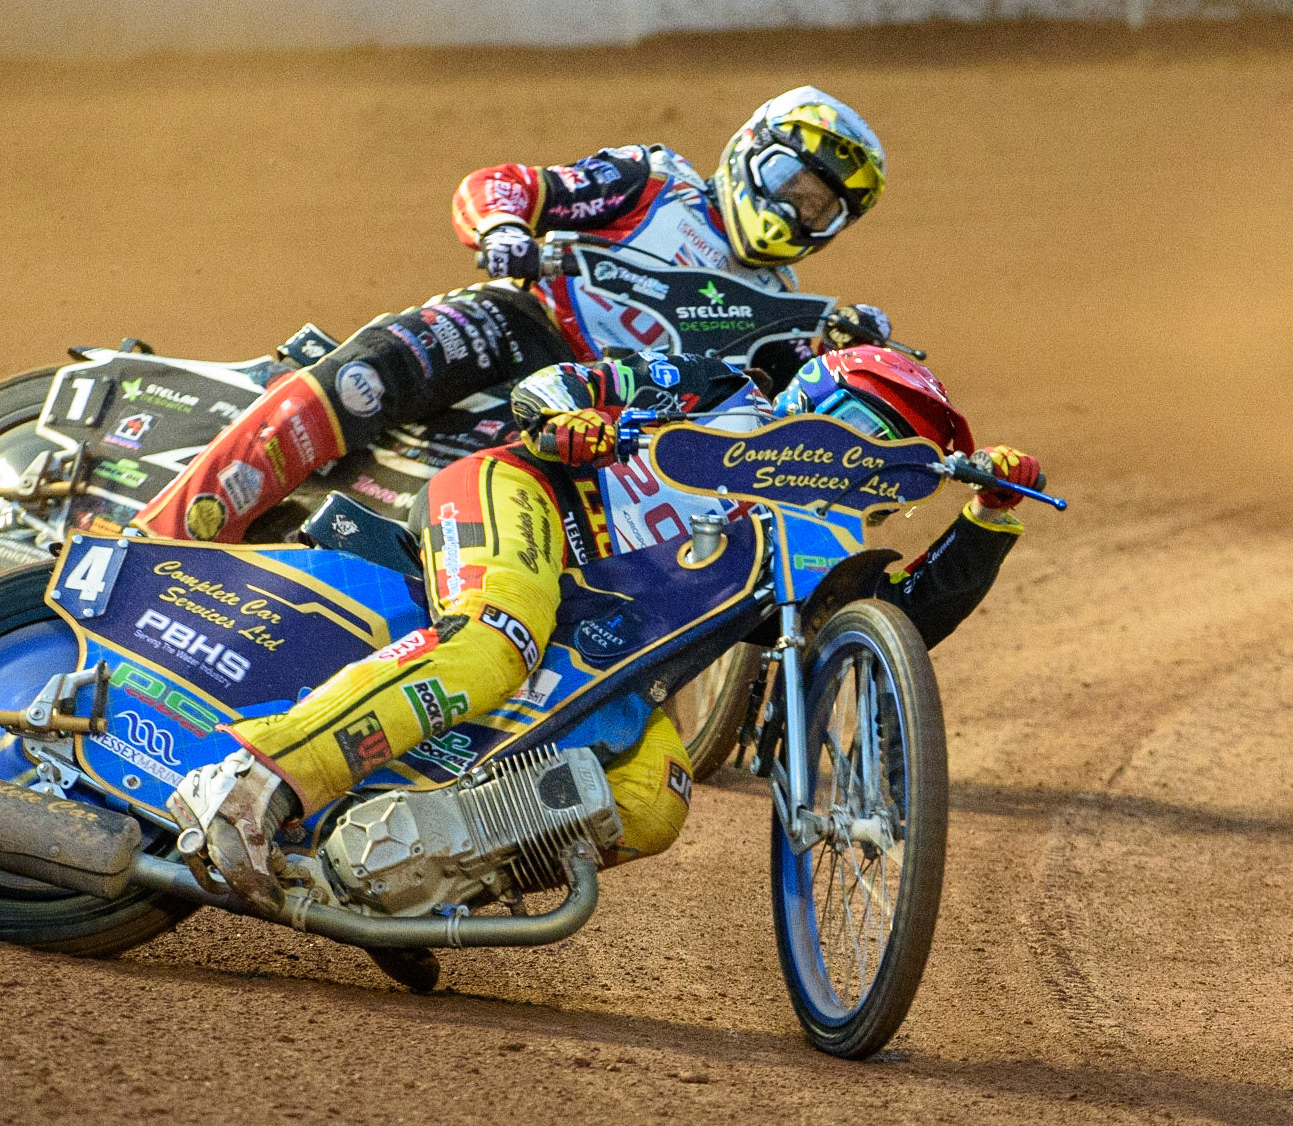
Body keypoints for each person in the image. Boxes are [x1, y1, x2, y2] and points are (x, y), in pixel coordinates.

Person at [165, 345, 1043, 910]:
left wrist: (989, 517)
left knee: (653, 799)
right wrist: (569, 423)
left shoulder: (828, 548)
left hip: (606, 639)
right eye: (870, 426)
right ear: (820, 394)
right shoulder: (715, 389)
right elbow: (549, 389)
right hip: (524, 499)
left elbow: (898, 627)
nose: (866, 461)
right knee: (490, 646)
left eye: (903, 457)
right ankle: (252, 784)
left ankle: (414, 877)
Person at [133, 86, 893, 544]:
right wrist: (502, 230)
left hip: (614, 412)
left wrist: (848, 371)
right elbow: (510, 185)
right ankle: (160, 535)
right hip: (521, 325)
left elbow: (785, 417)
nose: (798, 210)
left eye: (822, 207)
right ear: (750, 152)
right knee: (359, 382)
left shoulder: (787, 310)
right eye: (794, 183)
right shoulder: (653, 184)